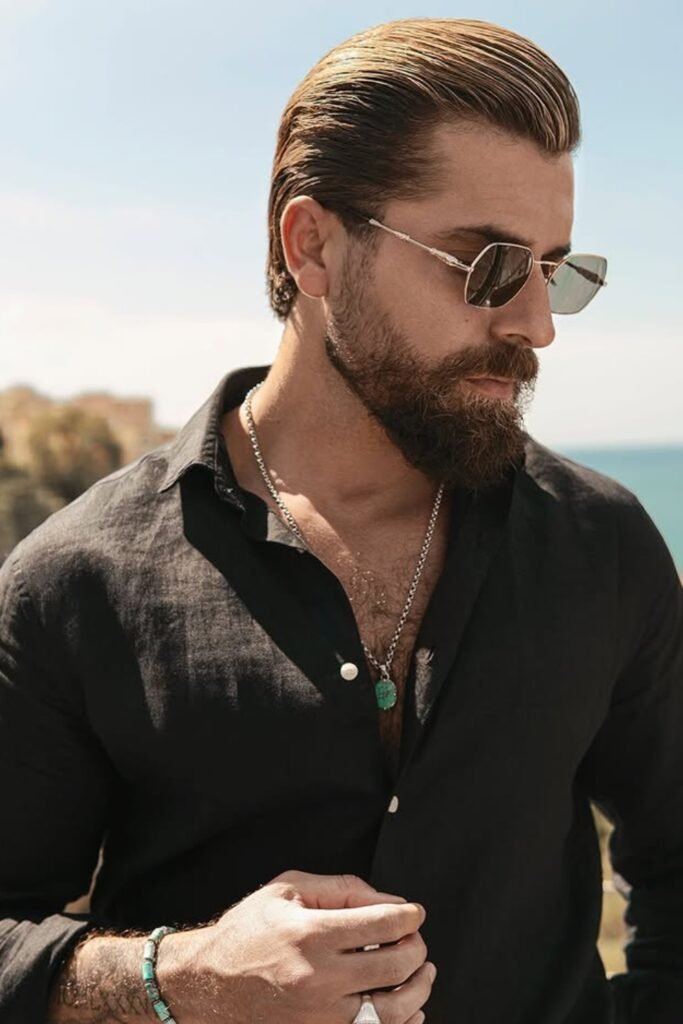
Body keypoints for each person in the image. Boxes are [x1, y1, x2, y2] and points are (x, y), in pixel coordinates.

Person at [0, 16, 681, 1024]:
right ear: (312, 245)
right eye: (487, 264)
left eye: (553, 269)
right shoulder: (74, 579)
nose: (535, 324)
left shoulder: (602, 544)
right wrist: (178, 979)